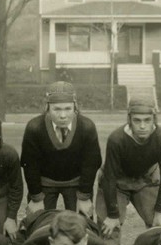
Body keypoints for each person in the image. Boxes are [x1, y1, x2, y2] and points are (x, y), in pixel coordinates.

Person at [96, 97, 161, 245]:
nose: (142, 126)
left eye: (147, 120)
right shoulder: (117, 139)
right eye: (137, 120)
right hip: (117, 182)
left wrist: (159, 210)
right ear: (129, 119)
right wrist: (113, 215)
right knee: (108, 231)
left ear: (155, 118)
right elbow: (109, 178)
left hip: (146, 179)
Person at [20, 81, 102, 216]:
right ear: (47, 107)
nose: (63, 115)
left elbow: (91, 163)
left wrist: (84, 197)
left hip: (76, 182)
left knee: (81, 224)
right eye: (57, 109)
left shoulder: (86, 127)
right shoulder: (35, 127)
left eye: (68, 109)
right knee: (38, 223)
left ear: (75, 106)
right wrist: (36, 198)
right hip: (45, 183)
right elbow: (30, 165)